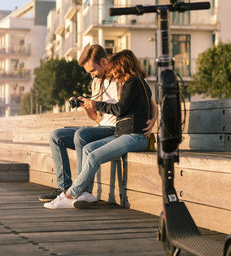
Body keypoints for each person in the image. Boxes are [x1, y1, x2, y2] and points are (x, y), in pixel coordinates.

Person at [39, 45, 158, 202]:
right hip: (102, 127)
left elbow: (151, 103)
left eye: (93, 70)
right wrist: (87, 107)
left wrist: (153, 121)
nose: (92, 75)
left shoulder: (123, 76)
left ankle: (82, 190)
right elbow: (97, 118)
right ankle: (65, 187)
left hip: (119, 128)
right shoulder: (96, 83)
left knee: (82, 135)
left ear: (103, 62)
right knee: (56, 136)